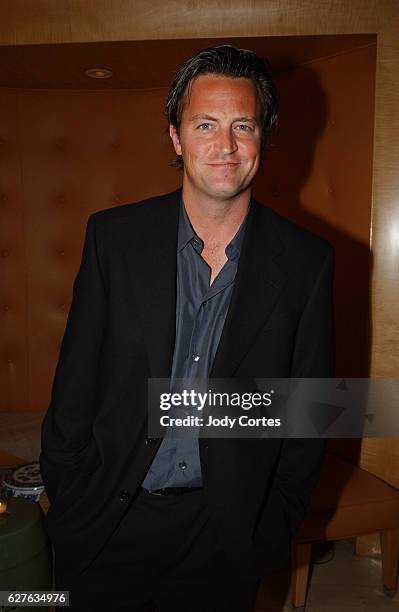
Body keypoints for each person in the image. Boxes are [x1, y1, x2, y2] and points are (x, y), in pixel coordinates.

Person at [40, 44, 335, 611]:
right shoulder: (114, 239)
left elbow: (309, 409)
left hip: (225, 533)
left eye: (242, 125)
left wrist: (275, 518)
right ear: (176, 138)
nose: (224, 146)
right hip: (108, 518)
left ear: (262, 137)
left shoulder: (306, 262)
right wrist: (71, 494)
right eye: (205, 124)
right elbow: (74, 386)